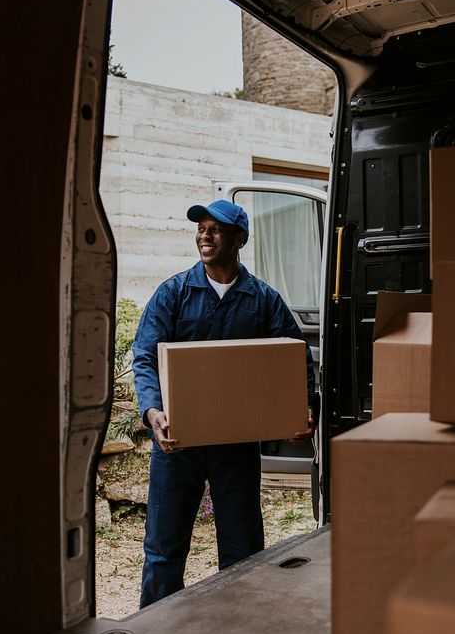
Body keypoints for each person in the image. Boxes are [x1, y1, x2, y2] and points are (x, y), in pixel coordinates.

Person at [132, 198, 318, 608]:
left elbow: (294, 357)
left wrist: (303, 407)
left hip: (236, 446)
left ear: (239, 238)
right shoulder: (174, 293)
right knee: (163, 551)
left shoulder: (263, 300)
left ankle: (241, 628)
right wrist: (152, 411)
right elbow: (145, 356)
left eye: (215, 229)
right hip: (177, 443)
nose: (204, 234)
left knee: (243, 551)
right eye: (200, 228)